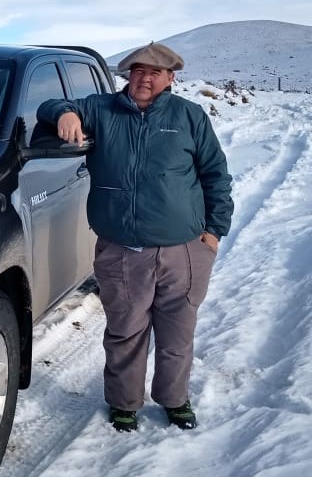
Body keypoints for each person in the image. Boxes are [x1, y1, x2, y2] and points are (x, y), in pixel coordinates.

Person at [37, 42, 233, 432]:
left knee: (177, 333)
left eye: (155, 73)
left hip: (184, 251)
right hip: (122, 250)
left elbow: (216, 175)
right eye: (138, 71)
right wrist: (65, 113)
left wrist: (213, 233)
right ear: (129, 75)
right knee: (125, 332)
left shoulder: (189, 116)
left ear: (170, 78)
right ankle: (124, 403)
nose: (145, 79)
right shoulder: (101, 109)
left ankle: (175, 400)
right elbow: (48, 107)